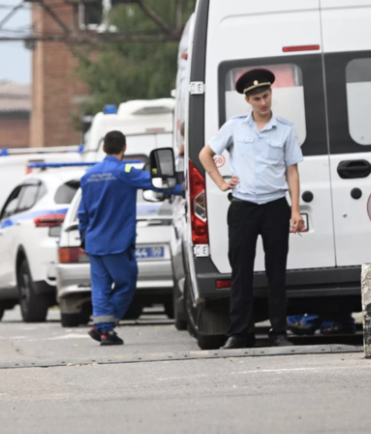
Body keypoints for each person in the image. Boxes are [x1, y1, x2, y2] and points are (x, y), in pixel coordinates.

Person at [198, 68, 305, 349]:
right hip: (243, 207)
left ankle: (279, 332)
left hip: (274, 207)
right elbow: (205, 154)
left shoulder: (285, 128)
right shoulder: (234, 126)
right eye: (257, 98)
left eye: (266, 95)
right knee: (241, 272)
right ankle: (239, 333)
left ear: (271, 94)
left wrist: (295, 210)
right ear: (247, 100)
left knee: (276, 272)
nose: (263, 102)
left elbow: (292, 172)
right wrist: (220, 183)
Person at [78, 131, 180, 345]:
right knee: (126, 284)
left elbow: (82, 213)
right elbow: (155, 183)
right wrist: (185, 188)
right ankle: (105, 328)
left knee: (100, 287)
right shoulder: (125, 170)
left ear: (104, 148)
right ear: (124, 148)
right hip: (117, 243)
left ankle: (101, 327)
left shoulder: (89, 174)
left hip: (95, 242)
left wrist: (84, 239)